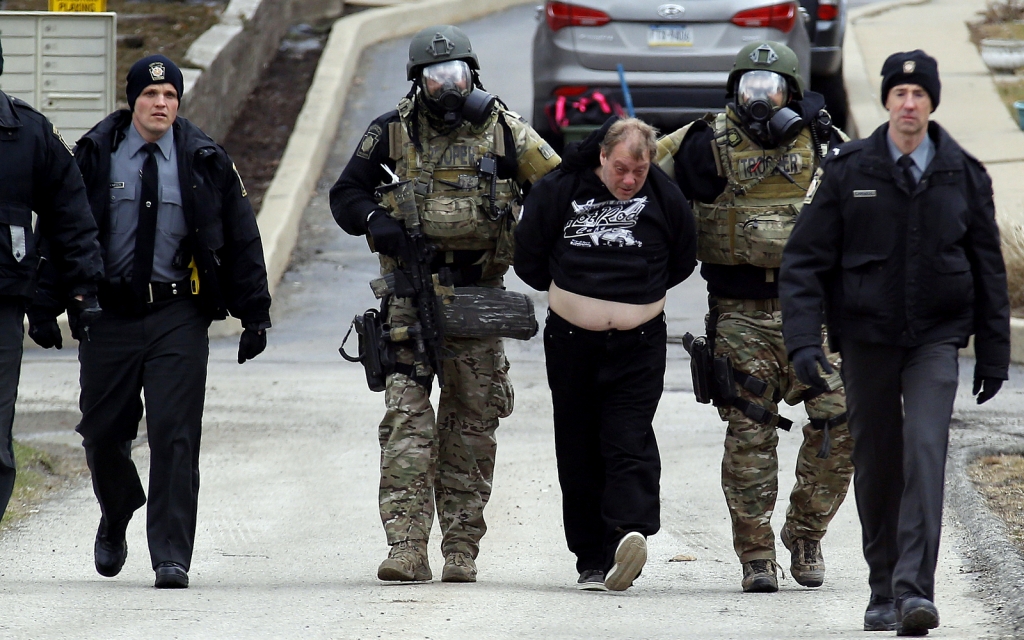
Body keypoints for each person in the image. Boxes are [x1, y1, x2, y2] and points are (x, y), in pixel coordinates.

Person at [780, 50, 1009, 635]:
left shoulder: (964, 173)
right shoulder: (850, 170)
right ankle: (882, 586)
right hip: (866, 337)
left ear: (932, 103)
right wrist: (804, 341)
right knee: (878, 461)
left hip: (936, 337)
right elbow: (804, 261)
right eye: (899, 94)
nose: (909, 104)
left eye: (920, 95)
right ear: (886, 101)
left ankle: (914, 592)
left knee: (925, 451)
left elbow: (988, 267)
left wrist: (994, 350)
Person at [32, 55, 273, 589]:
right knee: (101, 435)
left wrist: (254, 312)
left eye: (169, 97)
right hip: (107, 315)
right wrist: (44, 305)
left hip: (177, 315)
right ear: (132, 100)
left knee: (175, 435)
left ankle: (171, 554)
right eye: (150, 95)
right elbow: (62, 230)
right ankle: (116, 511)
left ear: (178, 103)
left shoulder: (204, 158)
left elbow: (240, 234)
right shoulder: (95, 155)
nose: (160, 104)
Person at [329, 25, 560, 583]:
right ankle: (406, 546)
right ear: (418, 82)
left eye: (456, 75)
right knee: (407, 424)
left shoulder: (506, 132)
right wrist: (377, 222)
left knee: (471, 426)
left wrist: (538, 246)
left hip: (479, 300)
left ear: (473, 75)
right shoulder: (391, 132)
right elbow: (346, 194)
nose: (447, 87)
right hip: (410, 301)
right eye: (435, 78)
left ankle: (461, 547)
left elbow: (558, 187)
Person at [657, 41, 854, 594]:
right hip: (740, 313)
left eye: (771, 88)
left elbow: (865, 208)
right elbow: (638, 178)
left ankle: (805, 532)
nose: (760, 99)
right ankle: (756, 553)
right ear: (734, 92)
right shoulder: (701, 142)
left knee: (843, 419)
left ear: (791, 92)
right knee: (750, 428)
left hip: (812, 313)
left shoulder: (823, 141)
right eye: (750, 88)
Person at [515, 117, 697, 591]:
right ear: (602, 156)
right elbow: (529, 257)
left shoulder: (665, 199)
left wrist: (635, 298)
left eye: (638, 171)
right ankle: (589, 560)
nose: (629, 180)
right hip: (572, 343)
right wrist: (578, 298)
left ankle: (626, 536)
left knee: (628, 436)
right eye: (620, 169)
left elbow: (681, 260)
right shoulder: (559, 190)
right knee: (578, 446)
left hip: (639, 346)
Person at [0, 37, 104, 523]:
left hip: (3, 305)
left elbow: (70, 217)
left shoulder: (26, 132)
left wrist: (79, 291)